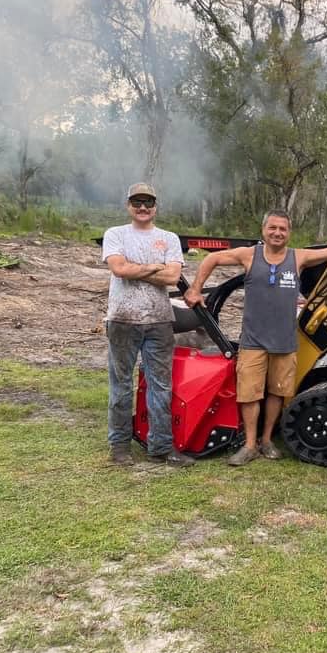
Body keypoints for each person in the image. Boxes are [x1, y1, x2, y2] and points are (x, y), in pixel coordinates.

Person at [184, 209, 327, 466]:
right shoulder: (249, 256)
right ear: (264, 230)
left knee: (277, 393)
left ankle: (268, 440)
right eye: (272, 228)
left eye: (282, 229)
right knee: (249, 394)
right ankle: (250, 445)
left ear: (288, 233)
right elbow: (211, 259)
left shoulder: (298, 257)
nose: (277, 233)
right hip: (253, 341)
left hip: (284, 342)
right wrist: (195, 289)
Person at [102, 182, 194, 468]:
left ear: (156, 206)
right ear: (129, 205)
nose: (143, 207)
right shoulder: (115, 234)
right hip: (122, 320)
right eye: (137, 201)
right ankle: (119, 447)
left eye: (148, 202)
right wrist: (156, 266)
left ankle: (161, 448)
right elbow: (118, 268)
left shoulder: (168, 238)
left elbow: (171, 278)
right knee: (121, 387)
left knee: (161, 388)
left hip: (159, 322)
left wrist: (137, 269)